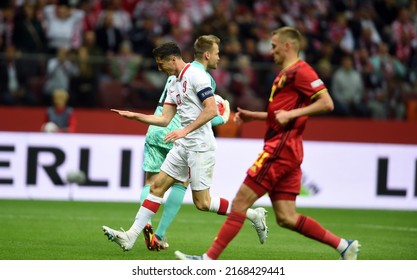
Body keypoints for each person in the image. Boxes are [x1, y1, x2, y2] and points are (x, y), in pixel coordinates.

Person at [175, 26, 361, 260]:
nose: (270, 51)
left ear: (287, 46)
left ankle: (206, 261)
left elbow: (326, 103)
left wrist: (290, 116)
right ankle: (344, 246)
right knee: (286, 217)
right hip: (289, 150)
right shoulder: (284, 74)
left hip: (280, 149)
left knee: (240, 202)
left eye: (273, 46)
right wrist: (257, 115)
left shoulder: (300, 71)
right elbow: (284, 112)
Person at [102, 37, 268, 252]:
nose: (158, 67)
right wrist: (134, 116)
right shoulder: (174, 82)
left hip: (200, 146)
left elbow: (210, 110)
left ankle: (253, 215)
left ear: (172, 59)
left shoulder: (197, 76)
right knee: (156, 187)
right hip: (182, 146)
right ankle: (130, 237)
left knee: (203, 203)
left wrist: (184, 130)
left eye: (161, 63)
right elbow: (164, 119)